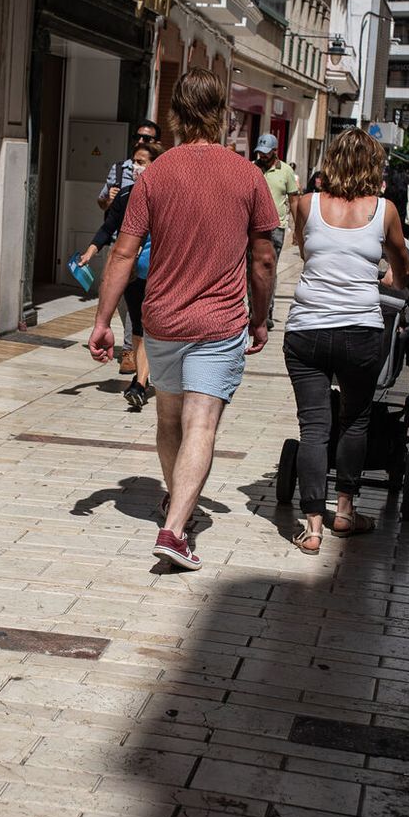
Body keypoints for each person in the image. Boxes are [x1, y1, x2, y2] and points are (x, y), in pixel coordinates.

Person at [87, 68, 278, 571]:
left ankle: (175, 509)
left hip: (163, 320)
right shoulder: (248, 175)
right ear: (224, 115)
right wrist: (260, 319)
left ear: (175, 115)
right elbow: (263, 259)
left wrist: (103, 320)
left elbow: (123, 253)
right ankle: (174, 529)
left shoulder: (156, 174)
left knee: (169, 416)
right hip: (218, 322)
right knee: (201, 422)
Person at [284, 129, 409, 553]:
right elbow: (402, 269)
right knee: (354, 421)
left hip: (306, 329)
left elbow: (308, 253)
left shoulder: (307, 204)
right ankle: (344, 511)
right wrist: (387, 280)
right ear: (374, 167)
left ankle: (312, 527)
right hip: (360, 331)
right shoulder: (386, 211)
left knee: (314, 426)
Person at [77, 141, 165, 408]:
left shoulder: (167, 198)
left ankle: (140, 382)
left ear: (155, 166)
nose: (135, 167)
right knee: (139, 326)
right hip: (133, 273)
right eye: (134, 162)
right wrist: (90, 252)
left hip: (161, 273)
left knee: (153, 328)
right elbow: (108, 227)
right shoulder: (127, 196)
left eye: (142, 162)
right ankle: (141, 379)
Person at [97, 119, 161, 375]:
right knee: (125, 301)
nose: (142, 141)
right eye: (139, 136)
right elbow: (102, 204)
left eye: (149, 138)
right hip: (119, 243)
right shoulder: (119, 169)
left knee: (137, 304)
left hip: (145, 249)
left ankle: (130, 353)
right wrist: (107, 199)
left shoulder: (160, 172)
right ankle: (135, 348)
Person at [252, 133, 299, 328]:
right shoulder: (252, 168)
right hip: (253, 228)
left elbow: (294, 200)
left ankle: (266, 311)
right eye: (259, 153)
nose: (261, 156)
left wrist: (297, 228)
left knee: (269, 268)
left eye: (265, 153)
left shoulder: (286, 171)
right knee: (251, 270)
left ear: (274, 151)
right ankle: (254, 310)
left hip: (276, 227)